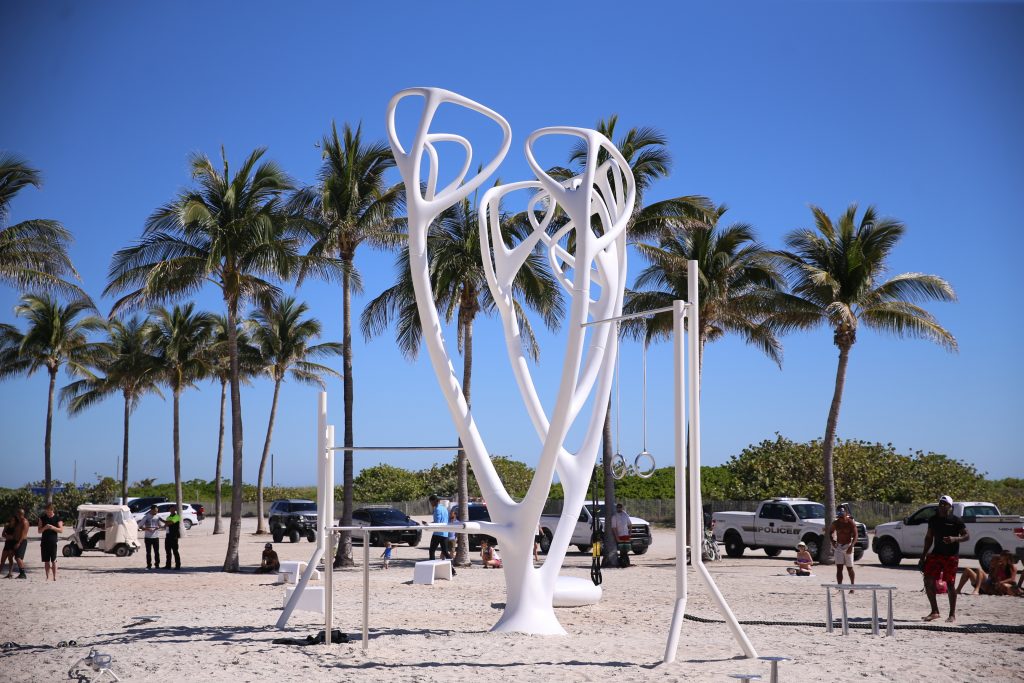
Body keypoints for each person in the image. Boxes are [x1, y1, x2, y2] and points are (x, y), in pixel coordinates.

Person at [921, 495, 969, 623]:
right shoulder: (933, 520)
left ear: (950, 507)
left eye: (945, 504)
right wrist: (923, 555)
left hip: (951, 556)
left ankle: (952, 614)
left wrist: (955, 539)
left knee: (950, 584)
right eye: (940, 503)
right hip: (936, 554)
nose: (942, 506)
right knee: (928, 580)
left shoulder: (956, 521)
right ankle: (935, 611)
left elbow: (966, 536)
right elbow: (929, 538)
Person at [956, 551, 1020, 597]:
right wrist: (993, 569)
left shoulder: (1012, 567)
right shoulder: (998, 566)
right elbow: (992, 578)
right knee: (968, 570)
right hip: (992, 586)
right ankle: (958, 590)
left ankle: (977, 589)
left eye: (1002, 557)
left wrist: (1000, 582)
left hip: (1003, 586)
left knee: (1003, 585)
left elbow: (1012, 579)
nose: (990, 561)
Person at [829, 506, 858, 588]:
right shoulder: (836, 523)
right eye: (840, 517)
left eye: (842, 516)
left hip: (848, 545)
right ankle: (839, 587)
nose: (841, 518)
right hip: (839, 546)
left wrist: (851, 546)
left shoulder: (850, 522)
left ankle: (852, 586)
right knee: (839, 568)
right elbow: (830, 532)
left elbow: (856, 535)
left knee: (849, 568)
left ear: (846, 514)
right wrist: (832, 541)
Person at [427, 495, 455, 576]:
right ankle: (452, 570)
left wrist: (428, 524)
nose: (431, 504)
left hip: (438, 533)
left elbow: (437, 522)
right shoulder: (444, 508)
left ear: (435, 501)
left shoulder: (437, 509)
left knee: (432, 551)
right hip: (445, 533)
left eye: (431, 502)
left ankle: (431, 569)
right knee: (445, 552)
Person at [37, 502, 63, 581]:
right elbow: (39, 531)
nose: (48, 512)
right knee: (46, 561)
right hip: (44, 542)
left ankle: (55, 577)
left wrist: (52, 527)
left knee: (54, 560)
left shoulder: (58, 518)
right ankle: (47, 576)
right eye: (46, 511)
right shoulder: (42, 518)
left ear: (52, 510)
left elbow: (61, 530)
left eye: (49, 511)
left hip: (53, 542)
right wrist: (45, 527)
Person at [139, 505, 164, 570]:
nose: (156, 512)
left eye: (157, 511)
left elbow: (161, 525)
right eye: (155, 511)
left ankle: (157, 565)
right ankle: (149, 565)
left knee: (156, 552)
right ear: (151, 510)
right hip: (148, 537)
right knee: (148, 552)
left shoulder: (158, 517)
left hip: (156, 537)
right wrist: (146, 529)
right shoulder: (146, 517)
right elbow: (140, 526)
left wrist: (159, 527)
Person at [8, 508, 30, 579]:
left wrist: (18, 543)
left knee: (18, 558)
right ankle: (15, 573)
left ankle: (23, 574)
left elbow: (23, 534)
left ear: (21, 514)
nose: (17, 515)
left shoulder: (24, 522)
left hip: (22, 541)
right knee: (14, 556)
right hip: (16, 541)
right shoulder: (19, 522)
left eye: (18, 514)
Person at [611, 502, 632, 568]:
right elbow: (614, 528)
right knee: (621, 550)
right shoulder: (614, 517)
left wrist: (630, 533)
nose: (619, 508)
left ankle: (626, 563)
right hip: (620, 535)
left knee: (626, 550)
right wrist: (617, 537)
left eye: (620, 507)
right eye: (618, 507)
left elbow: (630, 524)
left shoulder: (625, 515)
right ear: (616, 508)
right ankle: (623, 563)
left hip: (626, 534)